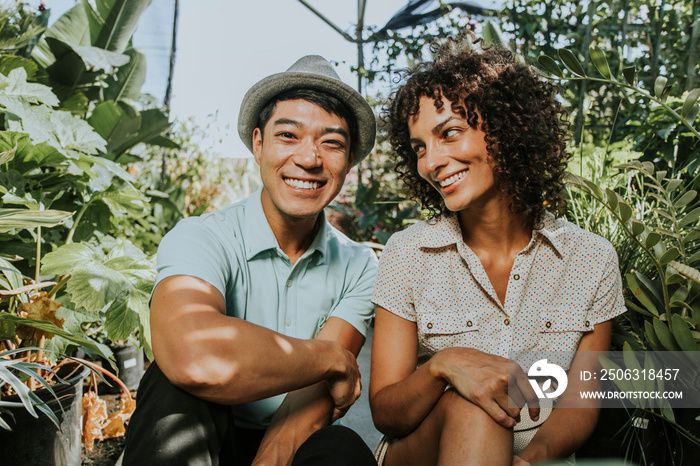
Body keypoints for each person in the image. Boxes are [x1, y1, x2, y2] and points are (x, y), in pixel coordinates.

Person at [369, 34, 626, 466]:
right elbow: (386, 414)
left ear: (507, 130)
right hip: (420, 452)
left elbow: (580, 401)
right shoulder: (407, 254)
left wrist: (533, 458)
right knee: (479, 405)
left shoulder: (590, 259)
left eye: (449, 133)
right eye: (419, 148)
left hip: (529, 458)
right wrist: (442, 366)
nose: (431, 162)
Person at [122, 55, 379, 466]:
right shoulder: (202, 237)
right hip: (204, 436)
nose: (309, 159)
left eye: (332, 143)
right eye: (288, 136)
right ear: (258, 144)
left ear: (348, 162)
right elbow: (194, 353)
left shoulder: (359, 265)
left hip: (289, 442)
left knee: (343, 449)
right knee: (170, 389)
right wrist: (330, 357)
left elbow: (315, 397)